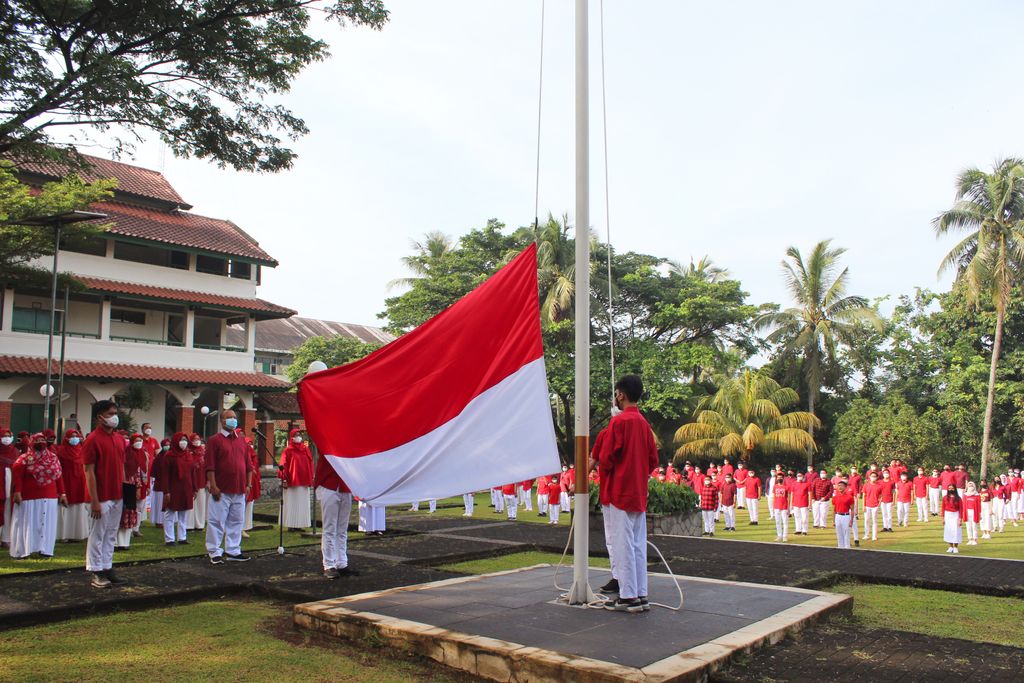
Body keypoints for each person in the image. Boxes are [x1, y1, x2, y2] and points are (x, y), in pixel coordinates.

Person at [596, 375, 658, 613]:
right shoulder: (644, 424)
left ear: (620, 394)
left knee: (622, 545)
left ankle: (628, 596)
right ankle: (640, 593)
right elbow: (653, 460)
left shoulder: (619, 423)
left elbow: (607, 457)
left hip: (619, 492)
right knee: (637, 544)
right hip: (638, 492)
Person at [83, 400, 126, 588]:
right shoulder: (92, 440)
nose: (114, 416)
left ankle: (107, 566)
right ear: (99, 417)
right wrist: (94, 500)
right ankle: (95, 570)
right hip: (101, 496)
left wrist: (126, 489)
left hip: (117, 494)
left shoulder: (118, 439)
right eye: (110, 413)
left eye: (115, 412)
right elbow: (89, 471)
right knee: (97, 534)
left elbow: (121, 465)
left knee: (110, 534)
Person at [204, 410, 253, 563]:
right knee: (216, 521)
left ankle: (233, 550)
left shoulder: (241, 441)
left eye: (234, 417)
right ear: (222, 421)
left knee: (237, 521)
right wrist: (213, 485)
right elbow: (210, 465)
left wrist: (249, 484)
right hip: (222, 488)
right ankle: (214, 551)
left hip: (239, 488)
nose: (233, 420)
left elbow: (248, 465)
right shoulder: (215, 440)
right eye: (229, 417)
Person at [9, 432, 67, 558]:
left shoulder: (53, 457)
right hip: (29, 496)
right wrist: (17, 492)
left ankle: (45, 549)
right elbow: (17, 476)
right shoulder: (24, 458)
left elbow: (59, 476)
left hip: (50, 496)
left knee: (47, 523)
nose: (40, 442)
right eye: (37, 440)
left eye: (42, 439)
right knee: (28, 523)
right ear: (31, 442)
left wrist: (62, 493)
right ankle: (24, 550)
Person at [314, 440, 358, 579]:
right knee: (330, 527)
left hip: (345, 485)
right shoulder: (326, 438)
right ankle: (329, 564)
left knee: (342, 528)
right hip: (329, 485)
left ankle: (342, 563)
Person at [160, 432, 196, 546]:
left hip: (186, 487)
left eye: (185, 439)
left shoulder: (188, 455)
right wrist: (166, 491)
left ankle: (182, 537)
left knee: (183, 514)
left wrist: (194, 489)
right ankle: (169, 538)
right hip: (173, 487)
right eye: (181, 439)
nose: (184, 442)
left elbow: (192, 472)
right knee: (170, 513)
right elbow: (165, 475)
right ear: (176, 441)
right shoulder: (169, 456)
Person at [56, 429, 90, 542]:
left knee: (79, 506)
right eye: (72, 436)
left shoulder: (82, 450)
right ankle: (64, 535)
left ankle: (79, 534)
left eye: (76, 436)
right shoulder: (61, 451)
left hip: (80, 480)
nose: (74, 438)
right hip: (66, 480)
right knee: (66, 507)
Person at [115, 433, 146, 550]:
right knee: (119, 514)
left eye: (140, 440)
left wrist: (138, 488)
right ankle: (115, 542)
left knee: (129, 514)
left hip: (131, 487)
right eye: (136, 440)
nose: (139, 442)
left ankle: (124, 543)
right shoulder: (125, 454)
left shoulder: (140, 455)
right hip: (120, 486)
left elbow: (138, 473)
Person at [279, 429, 313, 530]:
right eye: (296, 435)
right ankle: (291, 524)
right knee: (291, 503)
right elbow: (283, 465)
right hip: (292, 481)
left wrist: (311, 477)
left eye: (300, 434)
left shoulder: (306, 449)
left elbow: (310, 463)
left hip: (304, 481)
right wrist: (284, 479)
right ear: (292, 437)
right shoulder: (288, 450)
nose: (298, 436)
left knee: (302, 503)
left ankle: (301, 524)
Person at [0, 428, 18, 549]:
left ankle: (6, 538)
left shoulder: (15, 451)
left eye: (9, 435)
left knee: (8, 510)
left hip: (11, 483)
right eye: (4, 436)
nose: (6, 438)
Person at [188, 434, 207, 530]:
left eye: (198, 439)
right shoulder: (187, 452)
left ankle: (199, 524)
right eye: (194, 439)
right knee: (190, 503)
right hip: (190, 482)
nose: (196, 441)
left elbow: (208, 467)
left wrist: (208, 481)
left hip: (201, 481)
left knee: (200, 503)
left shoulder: (203, 452)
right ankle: (189, 524)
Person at [243, 436, 260, 537]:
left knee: (249, 505)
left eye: (251, 443)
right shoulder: (242, 454)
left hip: (252, 482)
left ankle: (246, 526)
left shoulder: (253, 455)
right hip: (244, 482)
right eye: (248, 444)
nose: (250, 446)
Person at [150, 438, 170, 528]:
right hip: (160, 484)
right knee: (159, 503)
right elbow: (154, 471)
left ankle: (167, 520)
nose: (167, 447)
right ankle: (159, 521)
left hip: (169, 484)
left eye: (168, 445)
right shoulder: (159, 458)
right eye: (165, 445)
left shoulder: (171, 456)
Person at [831, 480, 855, 549]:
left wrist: (851, 520)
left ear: (845, 487)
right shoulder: (835, 497)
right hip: (838, 516)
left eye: (841, 486)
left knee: (846, 533)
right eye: (838, 486)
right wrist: (833, 520)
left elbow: (852, 509)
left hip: (846, 516)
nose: (839, 487)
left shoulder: (849, 497)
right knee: (839, 533)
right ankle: (840, 547)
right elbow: (834, 509)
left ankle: (847, 547)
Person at [861, 471, 882, 541]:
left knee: (874, 521)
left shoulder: (879, 486)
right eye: (872, 476)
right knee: (866, 520)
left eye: (875, 476)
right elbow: (864, 495)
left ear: (877, 478)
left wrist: (879, 504)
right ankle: (866, 535)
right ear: (869, 477)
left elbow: (881, 496)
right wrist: (863, 506)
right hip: (867, 505)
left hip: (875, 506)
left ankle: (874, 536)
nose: (873, 477)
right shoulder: (866, 485)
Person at [942, 485, 962, 553]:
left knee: (956, 531)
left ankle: (956, 547)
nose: (951, 489)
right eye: (949, 488)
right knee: (948, 531)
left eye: (952, 488)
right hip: (947, 515)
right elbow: (943, 508)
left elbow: (961, 509)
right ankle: (950, 546)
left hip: (955, 515)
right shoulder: (945, 498)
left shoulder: (958, 498)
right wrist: (943, 518)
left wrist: (960, 519)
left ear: (955, 489)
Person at [771, 472, 789, 542]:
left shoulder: (786, 487)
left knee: (785, 522)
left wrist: (789, 507)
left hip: (784, 506)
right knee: (777, 522)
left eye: (781, 477)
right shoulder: (775, 486)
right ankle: (779, 535)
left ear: (783, 478)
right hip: (776, 507)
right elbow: (774, 497)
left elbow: (789, 497)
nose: (779, 478)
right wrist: (773, 506)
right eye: (778, 477)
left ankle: (785, 536)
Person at [962, 482, 980, 546]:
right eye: (969, 486)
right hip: (967, 512)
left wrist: (979, 513)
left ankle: (975, 539)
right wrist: (963, 513)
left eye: (971, 485)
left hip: (974, 512)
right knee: (968, 526)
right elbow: (963, 505)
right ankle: (970, 539)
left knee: (974, 526)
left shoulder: (977, 495)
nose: (970, 487)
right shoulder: (965, 495)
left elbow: (979, 505)